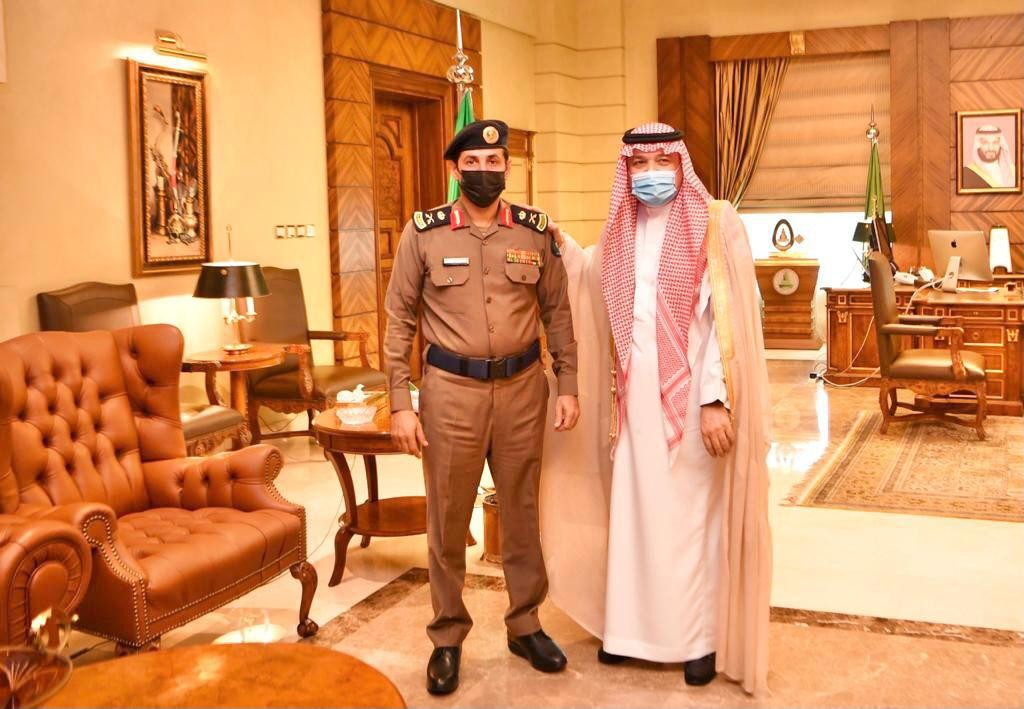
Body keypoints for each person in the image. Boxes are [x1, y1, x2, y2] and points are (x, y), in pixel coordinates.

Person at [538, 122, 772, 694]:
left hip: (692, 402)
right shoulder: (622, 228)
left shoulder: (715, 222)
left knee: (689, 521)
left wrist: (715, 400)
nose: (649, 175)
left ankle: (696, 641)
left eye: (660, 163)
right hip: (632, 401)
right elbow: (592, 281)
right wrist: (560, 245)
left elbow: (729, 322)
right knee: (636, 513)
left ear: (679, 164)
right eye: (638, 166)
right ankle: (630, 633)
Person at [383, 119, 580, 696]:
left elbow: (558, 312)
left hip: (522, 390)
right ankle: (447, 635)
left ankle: (525, 625)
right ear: (455, 170)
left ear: (507, 169)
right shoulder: (423, 233)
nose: (485, 172)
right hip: (451, 394)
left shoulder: (534, 231)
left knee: (521, 512)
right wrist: (400, 403)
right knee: (448, 519)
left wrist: (568, 383)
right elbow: (398, 320)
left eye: (495, 163)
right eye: (473, 163)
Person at [963, 124, 1016, 189]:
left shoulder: (1014, 170)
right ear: (978, 145)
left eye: (995, 142)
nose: (991, 148)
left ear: (1001, 145)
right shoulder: (967, 173)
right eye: (985, 143)